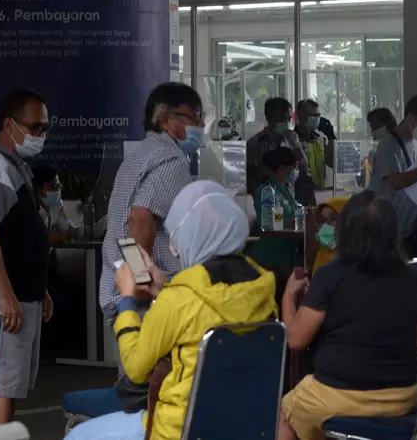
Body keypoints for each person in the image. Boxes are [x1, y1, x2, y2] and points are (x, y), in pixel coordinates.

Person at [65, 181, 277, 440]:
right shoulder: (262, 289)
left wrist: (126, 300)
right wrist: (164, 290)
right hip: (240, 425)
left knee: (77, 436)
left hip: (179, 429)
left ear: (194, 235)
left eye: (178, 236)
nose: (173, 248)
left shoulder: (179, 300)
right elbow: (207, 313)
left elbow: (135, 368)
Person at [278, 191, 417, 440]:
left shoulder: (330, 275)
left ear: (346, 230)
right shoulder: (408, 277)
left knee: (283, 413)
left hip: (340, 394)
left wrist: (288, 297)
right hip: (402, 396)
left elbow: (295, 341)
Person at [0, 88, 53, 425]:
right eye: (35, 127)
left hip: (23, 291)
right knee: (4, 383)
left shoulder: (15, 165)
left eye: (44, 128)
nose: (40, 135)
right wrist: (5, 294)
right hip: (5, 295)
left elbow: (22, 232)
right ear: (9, 124)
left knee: (13, 383)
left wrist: (39, 288)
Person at [100, 82, 203, 333]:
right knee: (152, 370)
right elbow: (139, 217)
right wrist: (141, 280)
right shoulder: (171, 160)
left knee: (135, 368)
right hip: (146, 298)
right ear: (165, 120)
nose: (200, 126)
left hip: (120, 286)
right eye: (194, 117)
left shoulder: (141, 153)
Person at [367, 95, 417, 272]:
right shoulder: (389, 145)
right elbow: (396, 181)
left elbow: (415, 178)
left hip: (410, 227)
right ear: (411, 118)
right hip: (389, 228)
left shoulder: (416, 144)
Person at [248, 147, 302, 278]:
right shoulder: (266, 191)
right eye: (293, 167)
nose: (295, 171)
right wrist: (292, 221)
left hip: (286, 253)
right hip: (271, 256)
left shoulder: (285, 189)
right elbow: (268, 223)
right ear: (281, 168)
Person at [246, 97, 310, 198]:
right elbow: (250, 178)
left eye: (289, 119)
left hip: (289, 196)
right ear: (269, 118)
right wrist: (258, 199)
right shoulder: (256, 143)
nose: (287, 123)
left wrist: (297, 145)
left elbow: (304, 168)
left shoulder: (291, 139)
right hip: (267, 199)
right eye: (282, 119)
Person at [295, 99, 334, 189]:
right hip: (300, 193)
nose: (317, 119)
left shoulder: (320, 138)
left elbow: (332, 163)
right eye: (314, 115)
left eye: (319, 115)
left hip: (319, 192)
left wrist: (331, 137)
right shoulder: (292, 139)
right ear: (301, 115)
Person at [32, 165, 75, 233]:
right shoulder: (27, 209)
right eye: (53, 186)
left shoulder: (57, 205)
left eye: (59, 186)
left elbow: (68, 228)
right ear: (38, 189)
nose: (58, 191)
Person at [311, 197, 349, 272]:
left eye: (332, 219)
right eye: (323, 220)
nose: (325, 225)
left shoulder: (353, 260)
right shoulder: (323, 253)